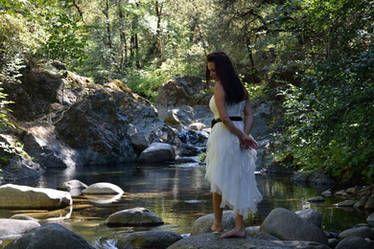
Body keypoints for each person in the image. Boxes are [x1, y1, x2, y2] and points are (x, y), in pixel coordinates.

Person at [205, 51, 263, 238]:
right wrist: (244, 135)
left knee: (218, 179)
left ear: (222, 68)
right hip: (238, 132)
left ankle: (218, 224)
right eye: (210, 71)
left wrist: (242, 136)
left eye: (214, 70)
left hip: (224, 133)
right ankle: (239, 226)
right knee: (239, 178)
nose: (212, 74)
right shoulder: (240, 87)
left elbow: (224, 117)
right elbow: (250, 115)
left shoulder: (220, 87)